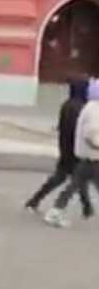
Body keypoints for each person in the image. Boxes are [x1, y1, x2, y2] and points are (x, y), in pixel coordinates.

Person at [26, 77, 91, 217]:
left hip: (65, 147)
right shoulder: (79, 107)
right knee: (76, 179)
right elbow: (78, 130)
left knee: (67, 178)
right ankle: (79, 207)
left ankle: (87, 208)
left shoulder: (68, 104)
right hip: (75, 150)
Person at [44, 79, 99, 228]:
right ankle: (55, 212)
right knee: (73, 185)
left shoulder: (89, 107)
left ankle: (56, 211)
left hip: (87, 156)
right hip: (93, 156)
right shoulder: (95, 110)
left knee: (74, 185)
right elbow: (91, 134)